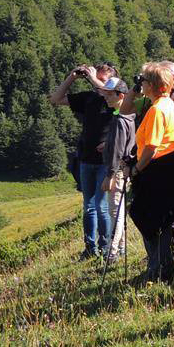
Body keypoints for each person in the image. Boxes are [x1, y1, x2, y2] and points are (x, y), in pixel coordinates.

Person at [122, 60, 174, 259]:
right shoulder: (167, 104)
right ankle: (162, 264)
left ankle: (159, 264)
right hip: (168, 166)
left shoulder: (157, 109)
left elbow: (152, 146)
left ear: (153, 85)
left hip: (157, 168)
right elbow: (123, 109)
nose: (141, 83)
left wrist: (136, 169)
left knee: (145, 215)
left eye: (144, 80)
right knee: (162, 219)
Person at [49, 62, 118, 258]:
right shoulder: (88, 98)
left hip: (105, 161)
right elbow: (56, 99)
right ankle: (90, 248)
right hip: (86, 159)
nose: (98, 84)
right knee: (88, 207)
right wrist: (72, 77)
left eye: (103, 80)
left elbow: (105, 90)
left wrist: (91, 77)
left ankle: (106, 248)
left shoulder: (115, 99)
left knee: (102, 207)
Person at [98, 77, 135, 263]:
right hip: (124, 168)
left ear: (121, 95)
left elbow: (119, 151)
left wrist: (110, 175)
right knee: (118, 210)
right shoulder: (127, 115)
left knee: (115, 212)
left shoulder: (120, 119)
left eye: (109, 94)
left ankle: (112, 252)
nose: (105, 97)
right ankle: (119, 248)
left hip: (118, 171)